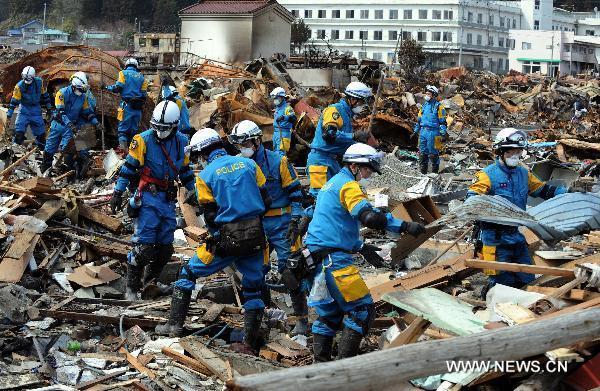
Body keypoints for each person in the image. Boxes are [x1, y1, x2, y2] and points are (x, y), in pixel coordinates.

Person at [305, 143, 426, 362]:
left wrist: (361, 247)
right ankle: (346, 370)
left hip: (320, 257)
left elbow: (334, 223)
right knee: (362, 310)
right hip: (334, 260)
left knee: (330, 314)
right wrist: (405, 226)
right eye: (368, 169)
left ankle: (320, 367)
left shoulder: (331, 183)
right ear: (354, 166)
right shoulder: (349, 186)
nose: (369, 174)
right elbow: (368, 217)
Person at [155, 127, 272, 354]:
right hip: (256, 236)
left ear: (202, 153)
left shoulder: (205, 176)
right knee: (253, 289)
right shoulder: (250, 165)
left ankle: (174, 325)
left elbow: (210, 217)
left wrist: (219, 237)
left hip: (226, 239)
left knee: (188, 273)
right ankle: (249, 343)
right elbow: (266, 201)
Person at [228, 120, 308, 335]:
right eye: (238, 145)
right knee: (255, 271)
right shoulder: (238, 164)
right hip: (255, 224)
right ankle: (264, 314)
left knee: (291, 271)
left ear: (256, 141)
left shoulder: (278, 161)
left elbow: (296, 193)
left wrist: (296, 220)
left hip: (282, 223)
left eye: (244, 143)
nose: (241, 149)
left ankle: (302, 320)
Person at [109, 100, 195, 301]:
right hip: (147, 196)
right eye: (156, 127)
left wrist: (197, 195)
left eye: (164, 128)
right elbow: (129, 169)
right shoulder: (143, 140)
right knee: (144, 247)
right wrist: (117, 192)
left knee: (165, 249)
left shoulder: (182, 142)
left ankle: (150, 284)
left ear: (174, 126)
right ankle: (131, 288)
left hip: (167, 199)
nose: (159, 132)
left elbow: (186, 172)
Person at [468, 128, 569, 290]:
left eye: (518, 152)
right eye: (511, 152)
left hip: (516, 236)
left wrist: (566, 194)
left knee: (527, 278)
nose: (515, 156)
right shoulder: (487, 175)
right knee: (502, 282)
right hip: (494, 238)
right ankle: (492, 305)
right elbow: (471, 200)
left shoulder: (523, 174)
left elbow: (542, 190)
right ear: (500, 151)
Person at [306, 81, 373, 198]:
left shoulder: (347, 115)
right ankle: (308, 216)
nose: (363, 106)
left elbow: (342, 140)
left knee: (336, 197)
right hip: (321, 161)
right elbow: (329, 135)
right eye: (362, 102)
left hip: (333, 161)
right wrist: (354, 136)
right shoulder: (335, 110)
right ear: (352, 99)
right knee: (320, 199)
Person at [41, 73, 102, 174]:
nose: (82, 91)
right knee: (49, 148)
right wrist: (69, 124)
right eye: (80, 89)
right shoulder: (62, 93)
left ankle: (69, 173)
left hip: (70, 127)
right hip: (58, 125)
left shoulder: (83, 97)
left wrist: (96, 123)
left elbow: (87, 112)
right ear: (73, 86)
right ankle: (44, 172)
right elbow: (61, 112)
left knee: (68, 149)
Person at [103, 58, 148, 150]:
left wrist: (106, 87)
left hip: (127, 107)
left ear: (126, 65)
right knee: (134, 132)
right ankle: (133, 152)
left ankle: (123, 151)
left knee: (122, 131)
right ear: (136, 66)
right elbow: (144, 95)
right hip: (137, 109)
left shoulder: (123, 73)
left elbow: (118, 87)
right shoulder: (141, 77)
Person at [6, 66, 52, 149]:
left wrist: (49, 108)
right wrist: (9, 114)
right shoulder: (19, 86)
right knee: (19, 134)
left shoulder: (39, 82)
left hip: (36, 111)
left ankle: (42, 152)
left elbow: (45, 95)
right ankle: (14, 151)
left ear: (33, 77)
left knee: (41, 135)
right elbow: (14, 101)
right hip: (24, 111)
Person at [413, 85, 447, 174]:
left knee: (434, 154)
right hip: (423, 132)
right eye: (426, 93)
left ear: (434, 95)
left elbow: (443, 122)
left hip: (435, 133)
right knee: (422, 154)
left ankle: (434, 175)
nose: (426, 95)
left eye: (428, 94)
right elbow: (419, 120)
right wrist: (415, 131)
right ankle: (422, 175)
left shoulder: (439, 107)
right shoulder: (423, 106)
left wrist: (443, 133)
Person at [269, 87, 296, 156]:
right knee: (275, 153)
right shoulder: (277, 108)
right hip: (276, 133)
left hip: (283, 134)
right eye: (274, 98)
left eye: (276, 98)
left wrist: (284, 117)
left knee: (280, 155)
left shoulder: (287, 108)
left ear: (281, 97)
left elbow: (294, 119)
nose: (275, 100)